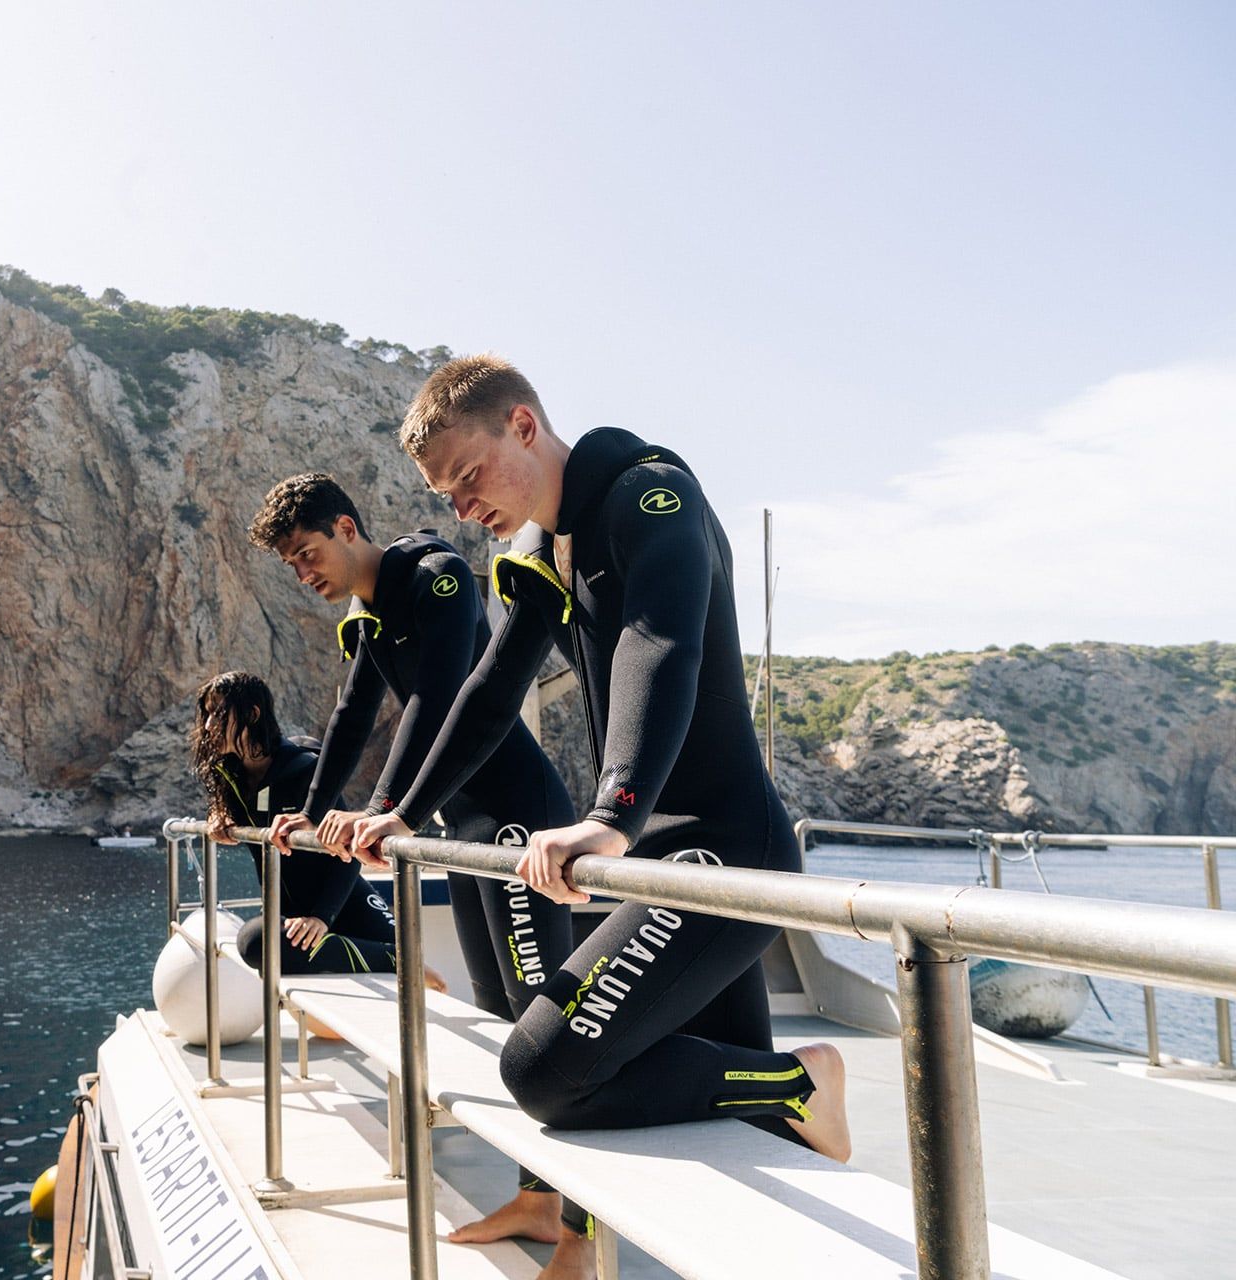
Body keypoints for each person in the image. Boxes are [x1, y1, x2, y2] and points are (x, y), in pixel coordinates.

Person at [350, 355, 851, 1280]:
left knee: (544, 1069)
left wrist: (611, 812)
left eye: (470, 475)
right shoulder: (549, 551)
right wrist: (400, 811)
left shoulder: (649, 495)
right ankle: (586, 1248)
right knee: (722, 1123)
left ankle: (799, 1081)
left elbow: (663, 639)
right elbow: (491, 696)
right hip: (668, 861)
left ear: (525, 427)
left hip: (724, 853)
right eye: (443, 494)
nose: (464, 506)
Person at [248, 472, 588, 1247]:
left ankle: (582, 1239)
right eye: (291, 567)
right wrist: (308, 811)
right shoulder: (373, 617)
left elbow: (437, 701)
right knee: (504, 1021)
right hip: (462, 831)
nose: (305, 574)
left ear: (345, 526)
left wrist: (381, 810)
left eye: (307, 554)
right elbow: (352, 714)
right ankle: (538, 1202)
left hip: (515, 826)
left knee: (549, 1032)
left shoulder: (435, 580)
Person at [189, 670, 400, 977]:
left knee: (257, 941)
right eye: (206, 715)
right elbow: (234, 811)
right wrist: (216, 814)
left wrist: (320, 918)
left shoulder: (303, 770)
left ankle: (400, 962)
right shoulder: (230, 777)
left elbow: (347, 853)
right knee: (258, 944)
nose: (208, 725)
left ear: (252, 714)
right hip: (291, 918)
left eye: (218, 713)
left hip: (340, 907)